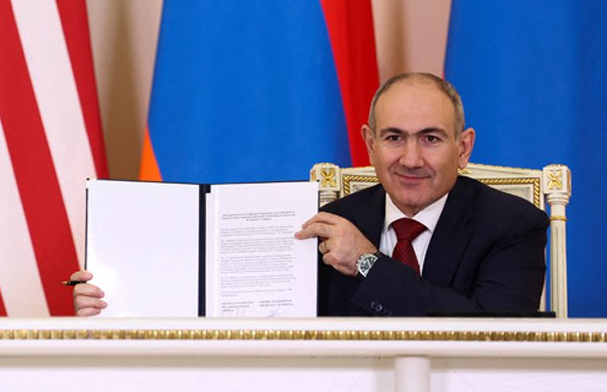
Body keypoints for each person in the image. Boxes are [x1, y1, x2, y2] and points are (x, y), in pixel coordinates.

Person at [72, 72, 549, 317]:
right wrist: (120, 300)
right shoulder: (327, 221)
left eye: (430, 138)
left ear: (463, 148)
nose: (410, 158)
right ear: (369, 143)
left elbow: (492, 335)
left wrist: (368, 263)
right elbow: (243, 312)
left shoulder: (513, 224)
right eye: (393, 138)